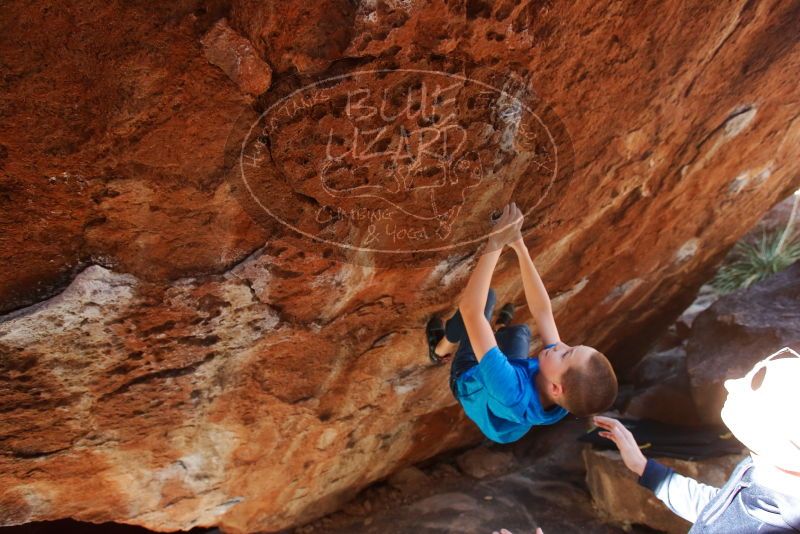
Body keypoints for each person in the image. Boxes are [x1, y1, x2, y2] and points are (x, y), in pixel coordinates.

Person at [427, 202, 618, 443]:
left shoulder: (511, 390)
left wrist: (495, 242)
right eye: (572, 347)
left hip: (469, 379)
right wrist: (518, 245)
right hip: (510, 385)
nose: (560, 346)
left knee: (485, 300)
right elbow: (543, 312)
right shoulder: (565, 392)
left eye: (565, 354)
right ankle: (495, 336)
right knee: (520, 332)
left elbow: (471, 311)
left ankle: (439, 349)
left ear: (556, 389)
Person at [595, 346, 800, 532]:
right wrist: (643, 466)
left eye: (754, 386)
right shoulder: (767, 471)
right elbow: (719, 511)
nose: (731, 384)